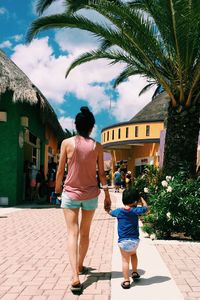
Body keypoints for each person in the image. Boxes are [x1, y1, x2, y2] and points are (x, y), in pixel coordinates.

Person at [55, 106, 111, 293]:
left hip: (70, 194)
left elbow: (60, 170)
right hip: (91, 195)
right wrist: (108, 196)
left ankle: (74, 275)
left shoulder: (66, 143)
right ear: (91, 127)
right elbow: (102, 175)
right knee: (85, 233)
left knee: (72, 233)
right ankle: (79, 265)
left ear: (76, 125)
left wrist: (56, 189)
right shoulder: (97, 146)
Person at [108, 188, 148, 289]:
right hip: (135, 241)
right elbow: (146, 208)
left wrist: (106, 206)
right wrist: (142, 199)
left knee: (125, 260)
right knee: (133, 254)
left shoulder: (119, 211)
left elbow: (109, 211)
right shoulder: (136, 211)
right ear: (135, 201)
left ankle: (126, 281)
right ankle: (134, 272)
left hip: (123, 241)